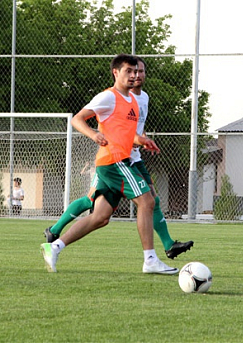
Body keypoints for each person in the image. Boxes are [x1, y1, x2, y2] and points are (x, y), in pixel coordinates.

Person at [44, 57, 194, 259]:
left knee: (103, 216)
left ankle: (55, 247)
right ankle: (151, 258)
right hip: (114, 160)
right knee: (138, 201)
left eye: (139, 71)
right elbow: (82, 120)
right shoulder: (111, 97)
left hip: (131, 158)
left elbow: (128, 132)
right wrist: (94, 135)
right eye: (130, 71)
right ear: (117, 73)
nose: (135, 75)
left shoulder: (138, 99)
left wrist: (141, 140)